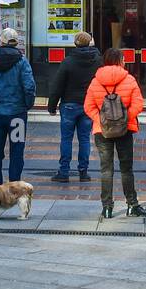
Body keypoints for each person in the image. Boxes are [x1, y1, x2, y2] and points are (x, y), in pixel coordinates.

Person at [83, 47, 146, 218]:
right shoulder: (129, 79)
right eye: (123, 58)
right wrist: (123, 120)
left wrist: (102, 120)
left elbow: (88, 107)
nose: (125, 61)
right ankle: (132, 205)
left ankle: (107, 208)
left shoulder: (95, 81)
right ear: (119, 61)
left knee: (106, 169)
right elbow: (138, 104)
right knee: (126, 169)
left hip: (102, 131)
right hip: (124, 131)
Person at [0, 28, 36, 184]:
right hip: (17, 114)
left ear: (1, 41)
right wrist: (27, 104)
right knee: (17, 150)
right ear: (16, 42)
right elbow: (29, 87)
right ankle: (14, 184)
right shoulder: (22, 61)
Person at [46, 31, 101, 183]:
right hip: (88, 105)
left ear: (75, 43)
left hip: (69, 104)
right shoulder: (98, 61)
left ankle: (64, 172)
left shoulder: (68, 61)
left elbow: (58, 85)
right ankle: (83, 172)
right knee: (84, 139)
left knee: (66, 139)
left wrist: (52, 105)